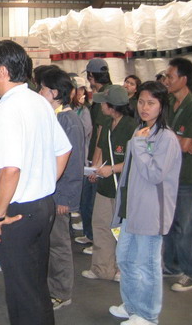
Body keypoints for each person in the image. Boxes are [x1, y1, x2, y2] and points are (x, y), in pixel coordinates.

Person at [0, 40, 71, 325]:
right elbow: (63, 149)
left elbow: (10, 169)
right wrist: (42, 180)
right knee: (35, 287)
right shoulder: (37, 101)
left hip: (17, 212)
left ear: (2, 71)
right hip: (42, 206)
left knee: (22, 293)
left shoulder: (7, 109)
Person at [109, 81, 182, 325]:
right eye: (141, 102)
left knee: (147, 264)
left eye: (151, 103)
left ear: (162, 106)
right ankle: (133, 306)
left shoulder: (166, 138)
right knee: (125, 259)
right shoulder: (141, 131)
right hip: (131, 208)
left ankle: (148, 315)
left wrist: (139, 146)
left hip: (152, 211)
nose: (144, 107)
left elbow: (154, 174)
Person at [37, 67, 85, 311]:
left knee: (59, 245)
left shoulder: (69, 121)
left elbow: (74, 164)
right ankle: (51, 287)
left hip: (59, 195)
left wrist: (66, 198)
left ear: (54, 93)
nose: (39, 92)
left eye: (43, 89)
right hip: (48, 191)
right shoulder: (54, 116)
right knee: (49, 243)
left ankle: (61, 292)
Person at [163, 57, 192, 293]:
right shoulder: (169, 103)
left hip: (186, 175)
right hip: (168, 173)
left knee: (186, 225)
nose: (166, 80)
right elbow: (157, 133)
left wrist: (175, 140)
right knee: (169, 223)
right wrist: (178, 139)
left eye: (170, 76)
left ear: (183, 79)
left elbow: (183, 144)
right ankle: (172, 265)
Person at [83, 85, 137, 283]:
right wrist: (96, 168)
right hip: (105, 186)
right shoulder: (107, 123)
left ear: (112, 106)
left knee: (123, 231)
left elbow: (136, 160)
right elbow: (101, 147)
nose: (100, 106)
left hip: (124, 188)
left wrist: (112, 169)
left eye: (103, 103)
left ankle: (123, 268)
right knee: (101, 226)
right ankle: (102, 268)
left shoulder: (133, 127)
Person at [77, 58, 113, 254]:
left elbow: (100, 131)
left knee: (94, 202)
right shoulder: (105, 92)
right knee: (89, 200)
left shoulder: (103, 98)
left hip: (101, 158)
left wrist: (95, 163)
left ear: (91, 76)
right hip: (98, 155)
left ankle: (95, 239)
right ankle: (90, 235)